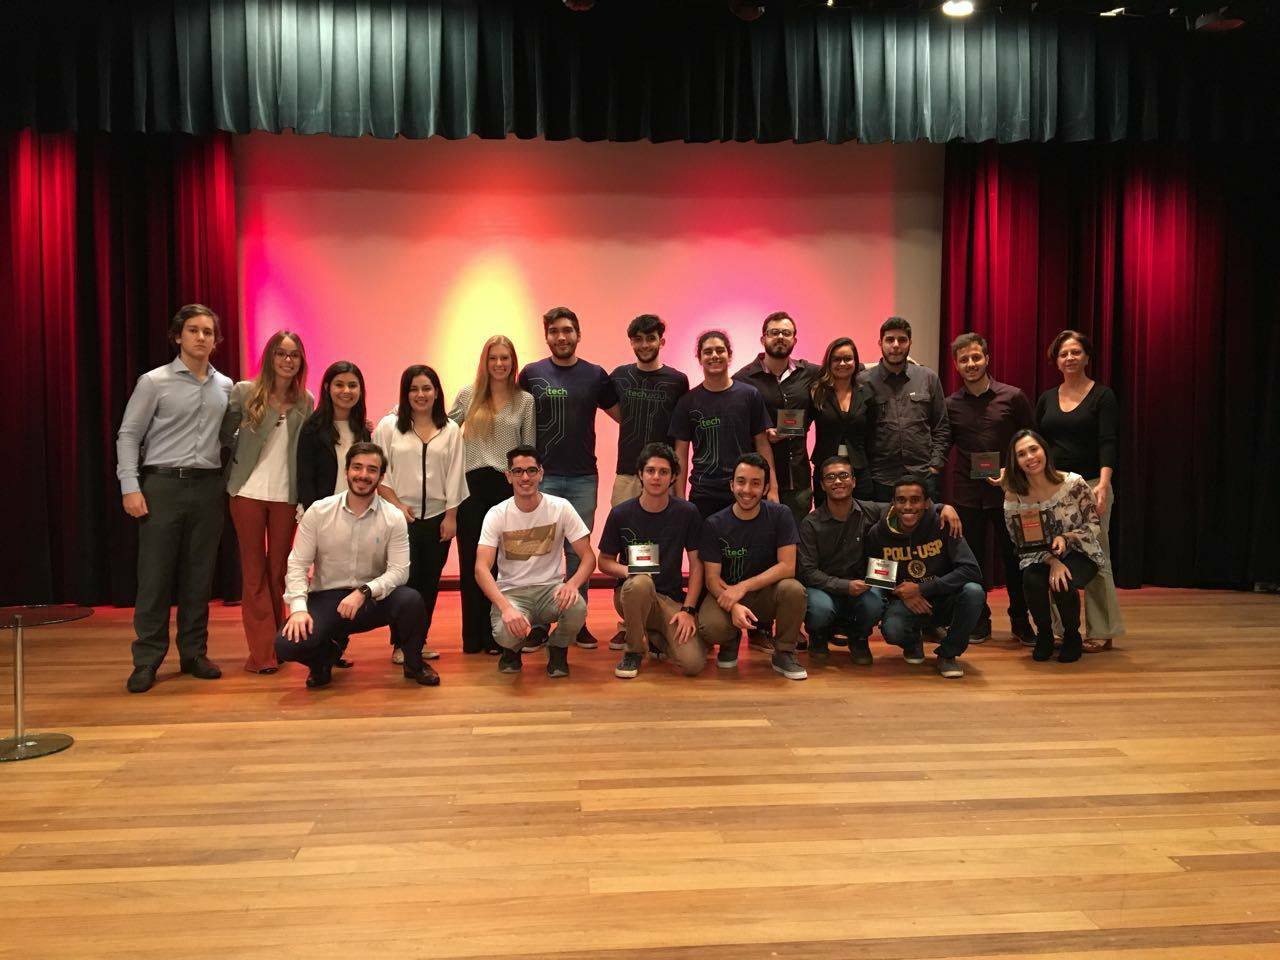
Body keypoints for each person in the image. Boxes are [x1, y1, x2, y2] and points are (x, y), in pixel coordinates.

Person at [117, 304, 234, 694]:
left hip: (208, 488)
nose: (201, 337)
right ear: (178, 336)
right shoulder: (154, 382)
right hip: (162, 485)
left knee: (199, 576)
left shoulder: (226, 387)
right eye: (193, 330)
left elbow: (229, 438)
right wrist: (130, 486)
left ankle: (194, 653)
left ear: (216, 340)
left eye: (208, 332)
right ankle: (147, 659)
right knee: (155, 577)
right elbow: (129, 435)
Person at [276, 442, 439, 689]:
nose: (363, 475)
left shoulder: (393, 517)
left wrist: (364, 591)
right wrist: (298, 608)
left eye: (372, 470)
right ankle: (324, 660)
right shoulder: (319, 512)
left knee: (411, 600)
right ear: (346, 471)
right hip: (327, 599)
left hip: (370, 599)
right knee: (286, 644)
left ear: (381, 477)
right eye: (357, 467)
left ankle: (414, 664)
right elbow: (297, 564)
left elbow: (399, 571)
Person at [518, 307, 620, 649]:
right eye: (554, 331)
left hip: (582, 478)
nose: (561, 337)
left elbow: (625, 416)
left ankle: (577, 622)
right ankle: (538, 624)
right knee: (539, 553)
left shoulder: (595, 375)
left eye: (567, 330)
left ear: (578, 334)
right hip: (541, 478)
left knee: (578, 554)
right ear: (546, 336)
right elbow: (510, 412)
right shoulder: (531, 374)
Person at [799, 455, 964, 663]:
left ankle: (859, 637)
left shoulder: (873, 510)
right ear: (822, 485)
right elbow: (808, 572)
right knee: (819, 609)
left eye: (843, 475)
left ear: (854, 481)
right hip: (824, 588)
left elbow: (907, 507)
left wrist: (942, 508)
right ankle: (819, 635)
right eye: (830, 477)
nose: (838, 481)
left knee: (874, 603)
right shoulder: (810, 523)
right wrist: (844, 586)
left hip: (863, 586)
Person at [222, 330, 314, 675]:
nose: (288, 360)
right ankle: (262, 654)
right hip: (247, 492)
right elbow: (224, 433)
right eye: (281, 353)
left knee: (278, 571)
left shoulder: (306, 401)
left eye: (294, 355)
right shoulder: (245, 392)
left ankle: (278, 644)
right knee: (254, 573)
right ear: (270, 357)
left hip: (285, 497)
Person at [1035, 330, 1125, 652]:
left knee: (1097, 556)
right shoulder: (1047, 398)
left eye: (1075, 352)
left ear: (1087, 357)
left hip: (1090, 485)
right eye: (1064, 353)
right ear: (1056, 360)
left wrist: (1104, 483)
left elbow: (1108, 442)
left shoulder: (1102, 396)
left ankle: (1102, 630)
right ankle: (1061, 629)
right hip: (1053, 487)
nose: (1070, 358)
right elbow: (1038, 444)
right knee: (1054, 555)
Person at [604, 314, 690, 650]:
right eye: (637, 339)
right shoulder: (619, 377)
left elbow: (680, 434)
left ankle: (660, 612)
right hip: (628, 474)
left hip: (663, 477)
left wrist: (679, 483)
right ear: (631, 342)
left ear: (661, 341)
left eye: (650, 338)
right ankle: (630, 621)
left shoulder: (677, 380)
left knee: (665, 546)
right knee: (628, 549)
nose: (644, 345)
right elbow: (619, 414)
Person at [373, 365, 468, 664]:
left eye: (426, 388)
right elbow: (379, 473)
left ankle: (419, 640)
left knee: (429, 582)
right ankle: (400, 643)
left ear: (436, 392)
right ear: (405, 393)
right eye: (413, 389)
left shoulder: (450, 430)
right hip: (399, 518)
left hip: (438, 518)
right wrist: (397, 506)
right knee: (404, 583)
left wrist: (451, 517)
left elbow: (455, 475)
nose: (420, 394)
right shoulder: (388, 427)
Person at [474, 446, 596, 678]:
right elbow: (481, 569)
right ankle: (512, 651)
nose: (525, 477)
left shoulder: (561, 507)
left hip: (550, 590)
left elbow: (589, 557)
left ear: (541, 473)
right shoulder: (497, 514)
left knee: (578, 608)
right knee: (504, 632)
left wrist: (572, 585)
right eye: (518, 471)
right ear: (508, 476)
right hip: (512, 592)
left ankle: (557, 648)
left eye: (531, 470)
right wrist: (506, 607)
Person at [945, 333, 1035, 644]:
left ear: (987, 359)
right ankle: (979, 619)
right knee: (973, 562)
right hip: (967, 494)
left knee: (1016, 559)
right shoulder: (950, 405)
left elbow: (1031, 443)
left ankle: (1021, 621)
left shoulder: (1013, 397)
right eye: (964, 360)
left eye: (976, 357)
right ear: (956, 365)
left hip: (1010, 493)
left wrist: (1011, 470)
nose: (970, 364)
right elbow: (943, 445)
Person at [449, 336, 535, 655]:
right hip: (471, 488)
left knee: (506, 564)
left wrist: (526, 486)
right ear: (485, 362)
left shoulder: (524, 400)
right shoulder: (467, 395)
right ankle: (474, 636)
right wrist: (399, 414)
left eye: (505, 358)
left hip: (506, 486)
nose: (499, 364)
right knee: (473, 561)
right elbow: (443, 428)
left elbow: (528, 448)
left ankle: (500, 634)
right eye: (493, 358)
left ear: (513, 362)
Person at [597, 442, 706, 679]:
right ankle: (634, 650)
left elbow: (697, 566)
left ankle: (656, 636)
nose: (656, 477)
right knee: (641, 583)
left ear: (673, 477)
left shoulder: (687, 513)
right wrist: (629, 572)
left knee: (694, 664)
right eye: (650, 470)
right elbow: (603, 562)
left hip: (669, 599)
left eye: (663, 472)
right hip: (630, 594)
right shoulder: (621, 513)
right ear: (640, 474)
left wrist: (688, 610)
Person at [697, 454, 808, 680]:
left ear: (766, 488)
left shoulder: (781, 514)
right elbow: (711, 579)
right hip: (726, 594)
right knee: (711, 626)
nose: (747, 490)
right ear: (731, 485)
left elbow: (788, 567)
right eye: (741, 481)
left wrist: (743, 587)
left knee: (794, 590)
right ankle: (730, 640)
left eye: (755, 483)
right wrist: (733, 606)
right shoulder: (714, 524)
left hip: (765, 594)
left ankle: (784, 652)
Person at [864, 476, 984, 679]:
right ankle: (912, 642)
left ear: (927, 503)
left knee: (974, 592)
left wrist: (922, 589)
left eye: (915, 500)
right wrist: (903, 593)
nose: (907, 506)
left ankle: (948, 654)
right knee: (893, 630)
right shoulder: (879, 533)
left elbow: (971, 570)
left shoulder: (944, 524)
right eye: (901, 500)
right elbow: (879, 578)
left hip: (944, 596)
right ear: (893, 503)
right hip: (907, 602)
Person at [1002, 430, 1103, 663]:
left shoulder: (1074, 483)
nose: (1030, 457)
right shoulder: (1014, 496)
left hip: (1080, 550)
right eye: (1021, 454)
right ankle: (1045, 635)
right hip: (1039, 555)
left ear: (1044, 450)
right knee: (1032, 579)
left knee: (1063, 581)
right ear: (1015, 461)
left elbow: (1093, 524)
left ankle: (1071, 636)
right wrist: (1052, 561)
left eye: (1033, 449)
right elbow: (1019, 542)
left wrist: (1066, 537)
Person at [671, 330, 777, 519]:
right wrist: (679, 498)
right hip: (704, 493)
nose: (714, 356)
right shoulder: (687, 402)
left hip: (743, 491)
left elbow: (762, 444)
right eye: (708, 352)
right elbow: (681, 453)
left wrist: (773, 488)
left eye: (720, 350)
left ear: (729, 355)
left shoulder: (749, 395)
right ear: (699, 358)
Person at [733, 311, 819, 523]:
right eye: (774, 332)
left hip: (798, 481)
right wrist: (759, 434)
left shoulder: (810, 373)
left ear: (794, 340)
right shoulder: (742, 379)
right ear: (763, 339)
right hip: (757, 485)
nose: (780, 337)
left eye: (786, 333)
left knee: (796, 539)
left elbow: (846, 368)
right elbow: (735, 428)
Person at [860, 317, 951, 503]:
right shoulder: (863, 381)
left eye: (902, 340)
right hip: (880, 479)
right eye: (889, 340)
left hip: (923, 477)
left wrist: (935, 466)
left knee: (927, 523)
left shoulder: (928, 378)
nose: (896, 345)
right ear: (880, 343)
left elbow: (941, 426)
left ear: (910, 343)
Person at [808, 337, 875, 508]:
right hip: (826, 469)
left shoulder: (867, 393)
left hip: (859, 470)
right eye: (837, 359)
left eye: (848, 359)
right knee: (825, 517)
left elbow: (873, 431)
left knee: (862, 515)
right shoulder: (818, 392)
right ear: (829, 363)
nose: (842, 363)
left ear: (855, 362)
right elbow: (802, 424)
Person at [297, 360, 372, 510]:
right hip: (323, 512)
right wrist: (315, 513)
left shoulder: (363, 430)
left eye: (352, 385)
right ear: (327, 387)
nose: (346, 391)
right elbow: (305, 479)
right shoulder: (312, 429)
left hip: (358, 511)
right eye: (339, 385)